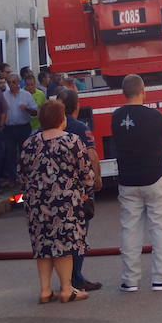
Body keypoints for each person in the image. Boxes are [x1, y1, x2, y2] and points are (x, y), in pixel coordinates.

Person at [111, 74, 162, 292]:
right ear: (143, 91)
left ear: (123, 93)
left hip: (127, 180)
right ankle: (161, 278)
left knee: (129, 230)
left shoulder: (116, 117)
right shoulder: (154, 115)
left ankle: (129, 280)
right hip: (155, 178)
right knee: (159, 228)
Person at [18, 100, 95, 303]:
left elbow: (21, 176)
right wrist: (86, 192)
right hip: (66, 203)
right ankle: (66, 289)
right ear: (62, 119)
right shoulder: (72, 141)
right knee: (64, 246)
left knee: (43, 247)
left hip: (36, 204)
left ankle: (44, 291)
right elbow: (86, 174)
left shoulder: (29, 144)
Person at [55, 88, 103, 291]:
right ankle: (76, 278)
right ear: (77, 106)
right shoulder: (80, 128)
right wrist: (97, 178)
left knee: (58, 237)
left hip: (53, 192)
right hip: (78, 191)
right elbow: (91, 155)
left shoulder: (43, 130)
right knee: (79, 233)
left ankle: (63, 281)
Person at [2, 74, 38, 187]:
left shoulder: (26, 95)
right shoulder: (3, 96)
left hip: (23, 128)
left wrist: (26, 108)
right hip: (9, 129)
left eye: (13, 82)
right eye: (9, 82)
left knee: (26, 153)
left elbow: (35, 112)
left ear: (18, 82)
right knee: (10, 154)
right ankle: (13, 179)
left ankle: (27, 178)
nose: (11, 84)